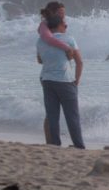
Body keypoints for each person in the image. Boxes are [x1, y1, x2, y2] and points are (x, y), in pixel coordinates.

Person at [36, 12, 85, 149]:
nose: (66, 27)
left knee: (52, 115)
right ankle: (78, 145)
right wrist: (77, 80)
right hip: (65, 81)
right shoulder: (69, 39)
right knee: (72, 116)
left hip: (47, 80)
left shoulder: (40, 41)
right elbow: (80, 62)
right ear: (58, 26)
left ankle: (55, 144)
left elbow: (40, 60)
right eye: (65, 25)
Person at [38, 1, 75, 143]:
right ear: (52, 13)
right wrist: (66, 48)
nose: (63, 16)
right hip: (49, 76)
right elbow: (47, 41)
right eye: (60, 13)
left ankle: (53, 141)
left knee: (54, 112)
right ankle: (51, 141)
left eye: (64, 13)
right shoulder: (44, 26)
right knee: (51, 113)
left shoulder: (57, 28)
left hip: (60, 75)